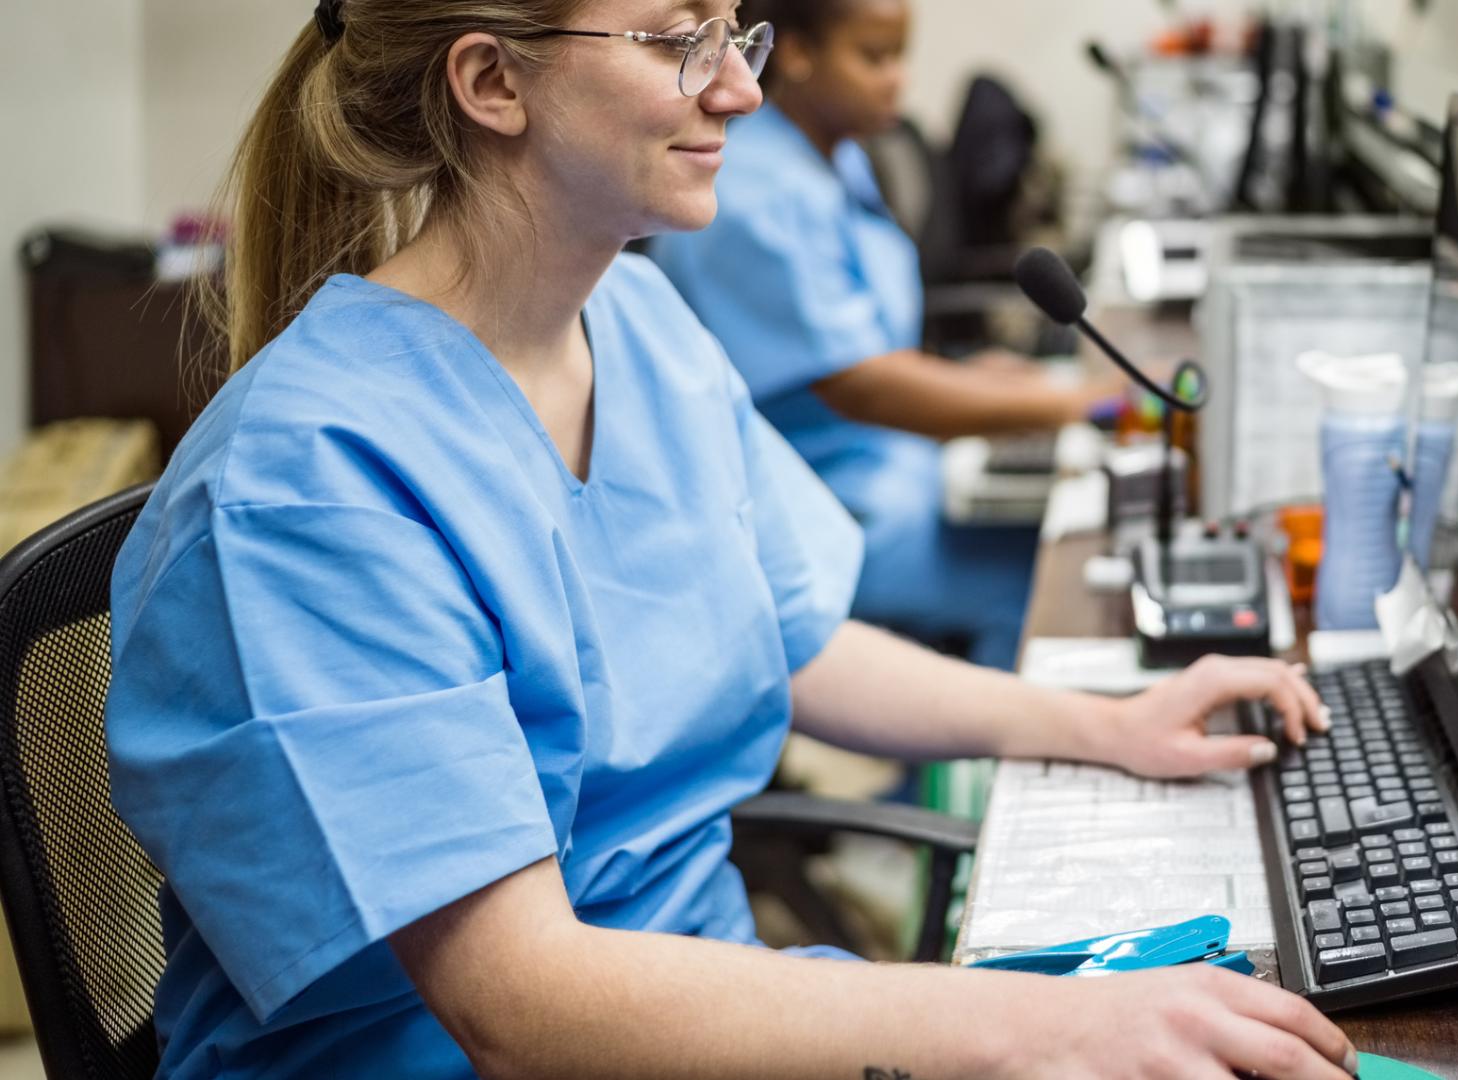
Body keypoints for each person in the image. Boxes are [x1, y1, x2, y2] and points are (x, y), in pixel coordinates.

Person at [103, 2, 1359, 1077]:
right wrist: (1036, 1026)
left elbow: (783, 640)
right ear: (491, 81)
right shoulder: (306, 488)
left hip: (706, 1002)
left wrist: (1107, 726)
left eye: (734, 31)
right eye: (678, 40)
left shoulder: (635, 323)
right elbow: (517, 1008)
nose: (743, 86)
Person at [650, 0, 1114, 670]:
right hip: (817, 508)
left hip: (884, 472)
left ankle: (931, 763)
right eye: (874, 58)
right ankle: (973, 767)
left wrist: (974, 378)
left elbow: (856, 334)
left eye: (900, 56)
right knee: (1039, 575)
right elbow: (860, 386)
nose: (896, 79)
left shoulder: (831, 158)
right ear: (800, 54)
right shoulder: (757, 191)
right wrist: (1073, 402)